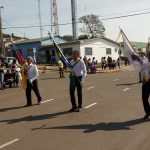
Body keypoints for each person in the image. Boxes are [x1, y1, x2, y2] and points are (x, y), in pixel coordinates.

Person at [141, 51, 150, 120]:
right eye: (148, 55)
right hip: (146, 81)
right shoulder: (144, 62)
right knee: (144, 98)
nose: (148, 56)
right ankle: (148, 112)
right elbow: (141, 69)